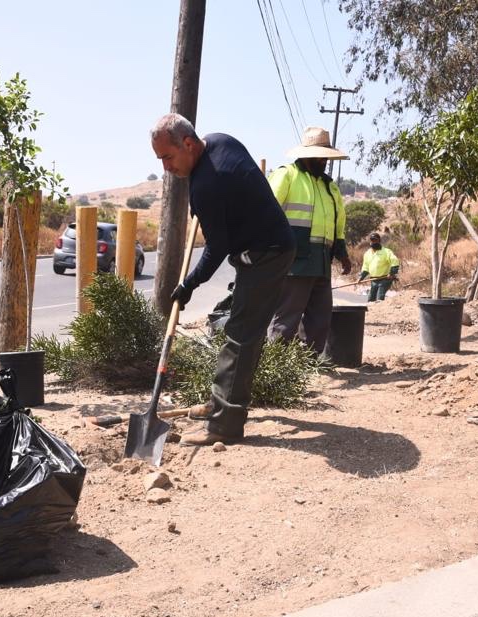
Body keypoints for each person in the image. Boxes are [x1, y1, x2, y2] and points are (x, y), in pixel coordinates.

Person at [151, 113, 295, 445]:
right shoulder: (218, 141)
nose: (165, 168)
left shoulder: (208, 185)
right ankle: (223, 404)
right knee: (247, 332)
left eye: (168, 157)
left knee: (240, 335)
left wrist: (188, 285)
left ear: (188, 144)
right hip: (268, 246)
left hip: (266, 254)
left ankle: (224, 425)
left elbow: (216, 249)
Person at [267, 126, 352, 353]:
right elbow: (265, 214)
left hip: (322, 262)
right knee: (286, 320)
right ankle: (276, 371)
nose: (324, 161)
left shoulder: (329, 186)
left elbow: (338, 222)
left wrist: (342, 252)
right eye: (320, 156)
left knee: (319, 321)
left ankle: (303, 369)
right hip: (294, 262)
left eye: (326, 157)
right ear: (306, 154)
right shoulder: (287, 175)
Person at [359, 232, 400, 302]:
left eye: (375, 240)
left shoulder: (386, 252)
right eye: (372, 240)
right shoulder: (367, 253)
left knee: (379, 297)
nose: (373, 242)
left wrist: (392, 273)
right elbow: (365, 267)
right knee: (371, 299)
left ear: (379, 241)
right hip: (373, 280)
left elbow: (395, 261)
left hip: (385, 279)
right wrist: (361, 277)